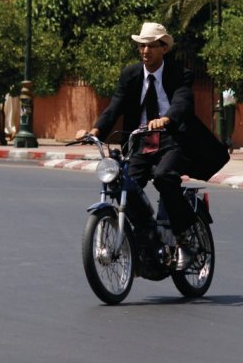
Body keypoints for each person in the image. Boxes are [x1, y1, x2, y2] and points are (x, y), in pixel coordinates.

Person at [81, 22, 229, 271]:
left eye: (150, 45)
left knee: (164, 177)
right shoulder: (130, 75)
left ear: (164, 48)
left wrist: (167, 118)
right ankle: (146, 236)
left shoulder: (179, 73)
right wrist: (94, 131)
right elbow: (114, 107)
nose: (144, 50)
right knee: (122, 184)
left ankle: (183, 240)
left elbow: (183, 101)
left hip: (173, 140)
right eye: (141, 45)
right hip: (140, 141)